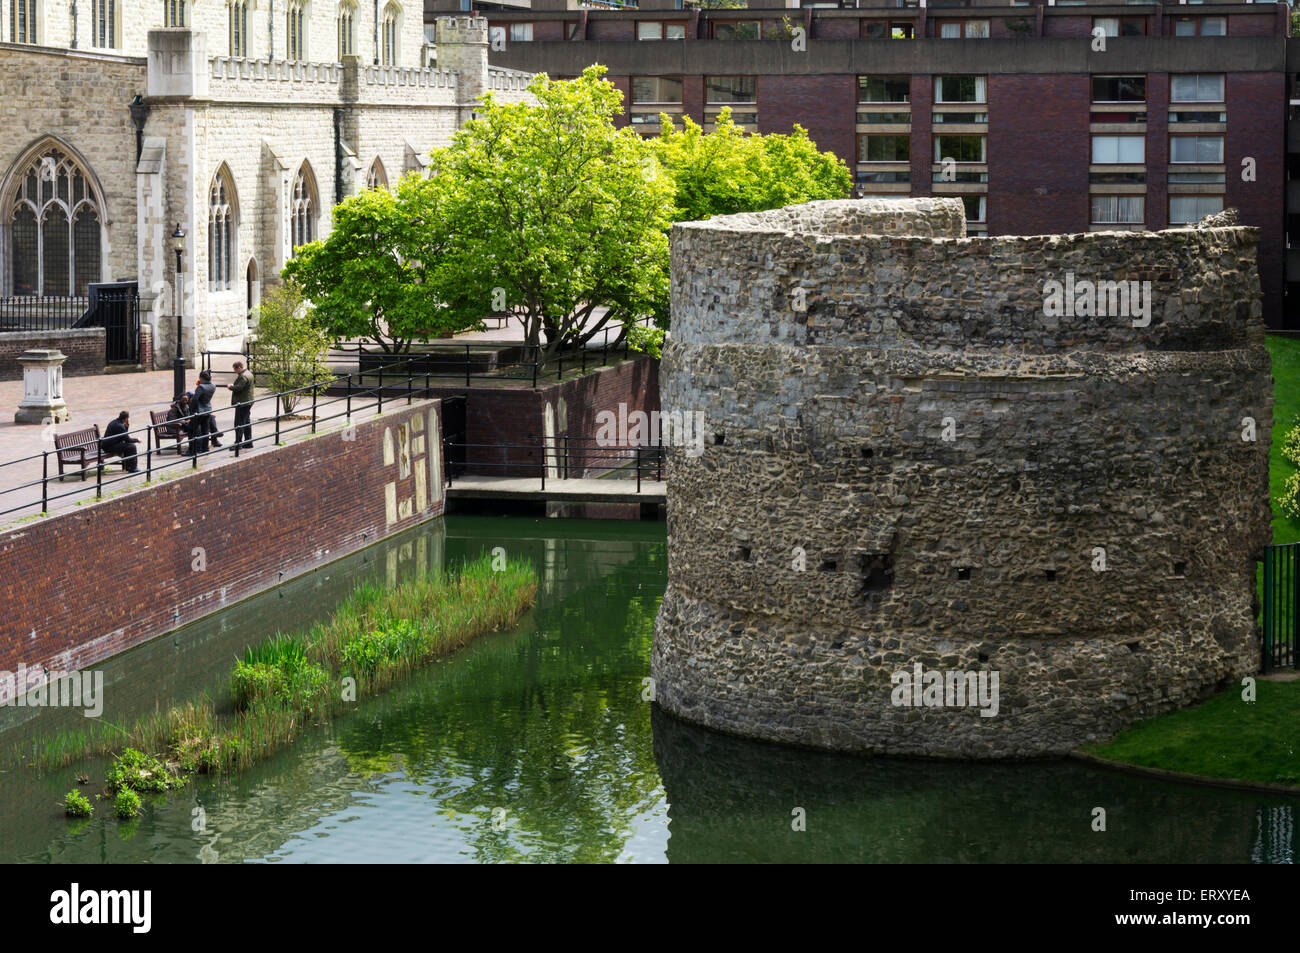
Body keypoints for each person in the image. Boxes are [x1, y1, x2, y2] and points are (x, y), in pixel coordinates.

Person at [227, 360, 254, 450]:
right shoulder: (249, 373)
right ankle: (248, 442)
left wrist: (231, 387)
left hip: (242, 402)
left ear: (239, 368)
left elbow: (239, 388)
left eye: (235, 370)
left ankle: (238, 444)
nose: (235, 372)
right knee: (246, 422)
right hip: (248, 401)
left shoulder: (243, 376)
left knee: (239, 423)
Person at [191, 370, 220, 453]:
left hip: (199, 411)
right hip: (207, 409)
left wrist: (192, 409)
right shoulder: (213, 386)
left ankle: (197, 448)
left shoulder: (201, 387)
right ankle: (205, 448)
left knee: (194, 429)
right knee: (205, 430)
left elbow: (195, 399)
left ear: (201, 378)